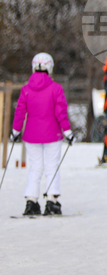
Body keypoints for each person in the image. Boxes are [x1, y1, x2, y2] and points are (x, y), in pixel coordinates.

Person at [10, 53, 74, 216]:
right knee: (52, 166)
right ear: (50, 68)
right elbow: (61, 112)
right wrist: (68, 132)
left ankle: (31, 201)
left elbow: (20, 112)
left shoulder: (26, 89)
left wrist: (15, 131)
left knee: (35, 167)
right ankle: (51, 201)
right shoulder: (56, 88)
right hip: (52, 134)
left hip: (31, 135)